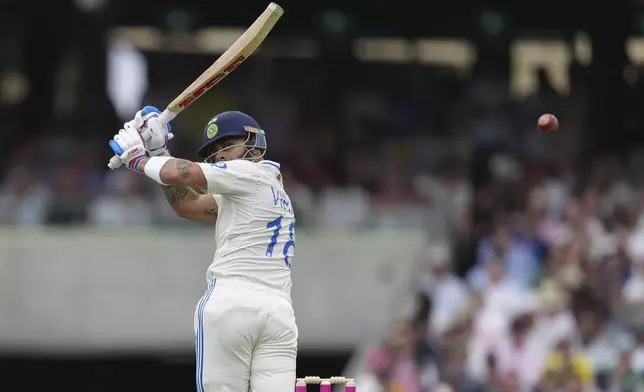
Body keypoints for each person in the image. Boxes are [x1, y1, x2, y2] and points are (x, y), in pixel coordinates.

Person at [108, 106, 298, 392]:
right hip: (279, 314)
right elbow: (188, 206)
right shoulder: (268, 188)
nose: (220, 155)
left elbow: (181, 174)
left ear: (252, 141)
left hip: (233, 301)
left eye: (227, 145)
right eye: (216, 150)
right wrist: (159, 151)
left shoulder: (245, 172)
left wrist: (138, 159)